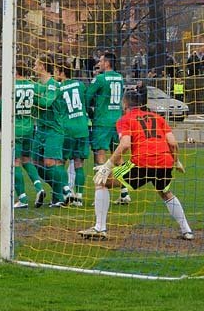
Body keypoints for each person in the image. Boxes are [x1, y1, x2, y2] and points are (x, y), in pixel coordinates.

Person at [79, 86, 193, 240]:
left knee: (101, 181)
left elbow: (125, 144)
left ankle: (100, 228)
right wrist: (176, 161)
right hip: (165, 162)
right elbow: (173, 143)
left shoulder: (125, 119)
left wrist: (107, 166)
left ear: (125, 104)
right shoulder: (158, 118)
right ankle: (187, 230)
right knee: (165, 193)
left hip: (142, 162)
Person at [86, 51, 129, 204]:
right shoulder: (120, 77)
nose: (99, 64)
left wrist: (90, 111)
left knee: (100, 155)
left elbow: (87, 96)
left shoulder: (100, 79)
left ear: (108, 63)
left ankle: (101, 192)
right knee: (118, 157)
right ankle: (125, 192)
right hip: (117, 122)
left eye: (102, 61)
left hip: (102, 122)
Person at [33, 54, 72, 207]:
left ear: (43, 65)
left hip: (54, 130)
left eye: (36, 64)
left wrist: (33, 98)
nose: (34, 67)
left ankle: (62, 194)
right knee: (35, 163)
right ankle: (61, 191)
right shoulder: (37, 84)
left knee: (50, 162)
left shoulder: (53, 85)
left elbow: (45, 103)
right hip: (40, 129)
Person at [55, 60, 90, 206]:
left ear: (62, 72)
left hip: (67, 129)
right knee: (79, 164)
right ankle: (79, 197)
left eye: (57, 71)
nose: (55, 74)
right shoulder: (81, 85)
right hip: (82, 127)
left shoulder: (59, 88)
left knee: (60, 162)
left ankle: (67, 192)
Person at [12, 63, 46, 209]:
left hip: (16, 130)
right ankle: (39, 188)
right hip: (30, 128)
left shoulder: (11, 86)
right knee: (27, 160)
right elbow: (41, 101)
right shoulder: (34, 86)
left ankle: (23, 198)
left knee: (15, 163)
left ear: (16, 72)